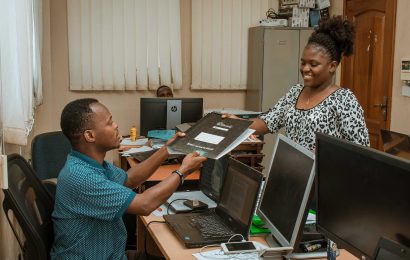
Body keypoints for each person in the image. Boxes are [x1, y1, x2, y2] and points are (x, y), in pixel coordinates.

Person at [50, 98, 206, 259]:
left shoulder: (91, 164)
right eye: (109, 123)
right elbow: (145, 205)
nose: (116, 125)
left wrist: (167, 149)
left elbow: (129, 180)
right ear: (90, 135)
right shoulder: (82, 177)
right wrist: (183, 172)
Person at [225, 16, 370, 151]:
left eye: (313, 64)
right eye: (303, 63)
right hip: (292, 172)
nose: (305, 69)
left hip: (323, 177)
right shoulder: (295, 92)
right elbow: (267, 122)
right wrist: (237, 124)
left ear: (332, 66)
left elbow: (361, 151)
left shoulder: (344, 100)